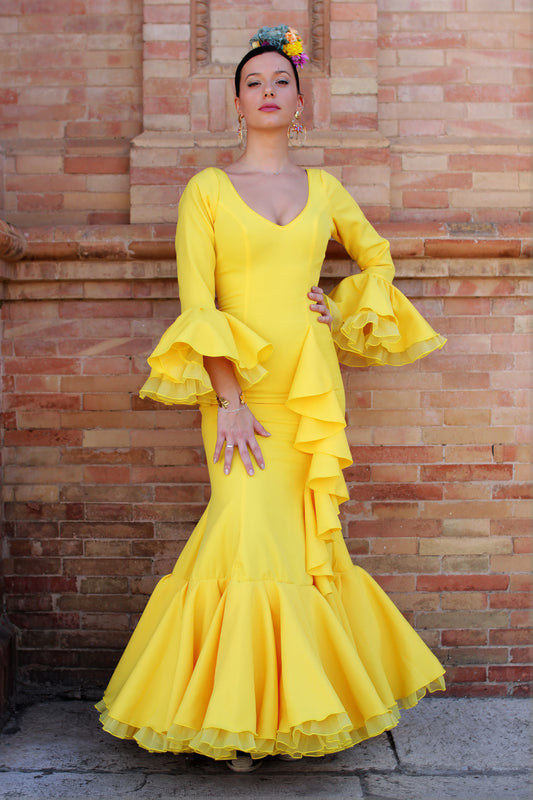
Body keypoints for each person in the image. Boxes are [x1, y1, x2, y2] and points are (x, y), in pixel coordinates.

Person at [96, 25, 446, 773]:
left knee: (297, 548)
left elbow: (375, 256)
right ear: (235, 101)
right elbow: (198, 302)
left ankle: (286, 715)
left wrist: (343, 306)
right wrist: (228, 400)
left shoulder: (324, 189)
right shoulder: (207, 191)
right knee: (246, 533)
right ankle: (236, 719)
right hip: (240, 394)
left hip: (309, 384)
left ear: (299, 102)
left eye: (278, 82)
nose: (265, 92)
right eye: (253, 82)